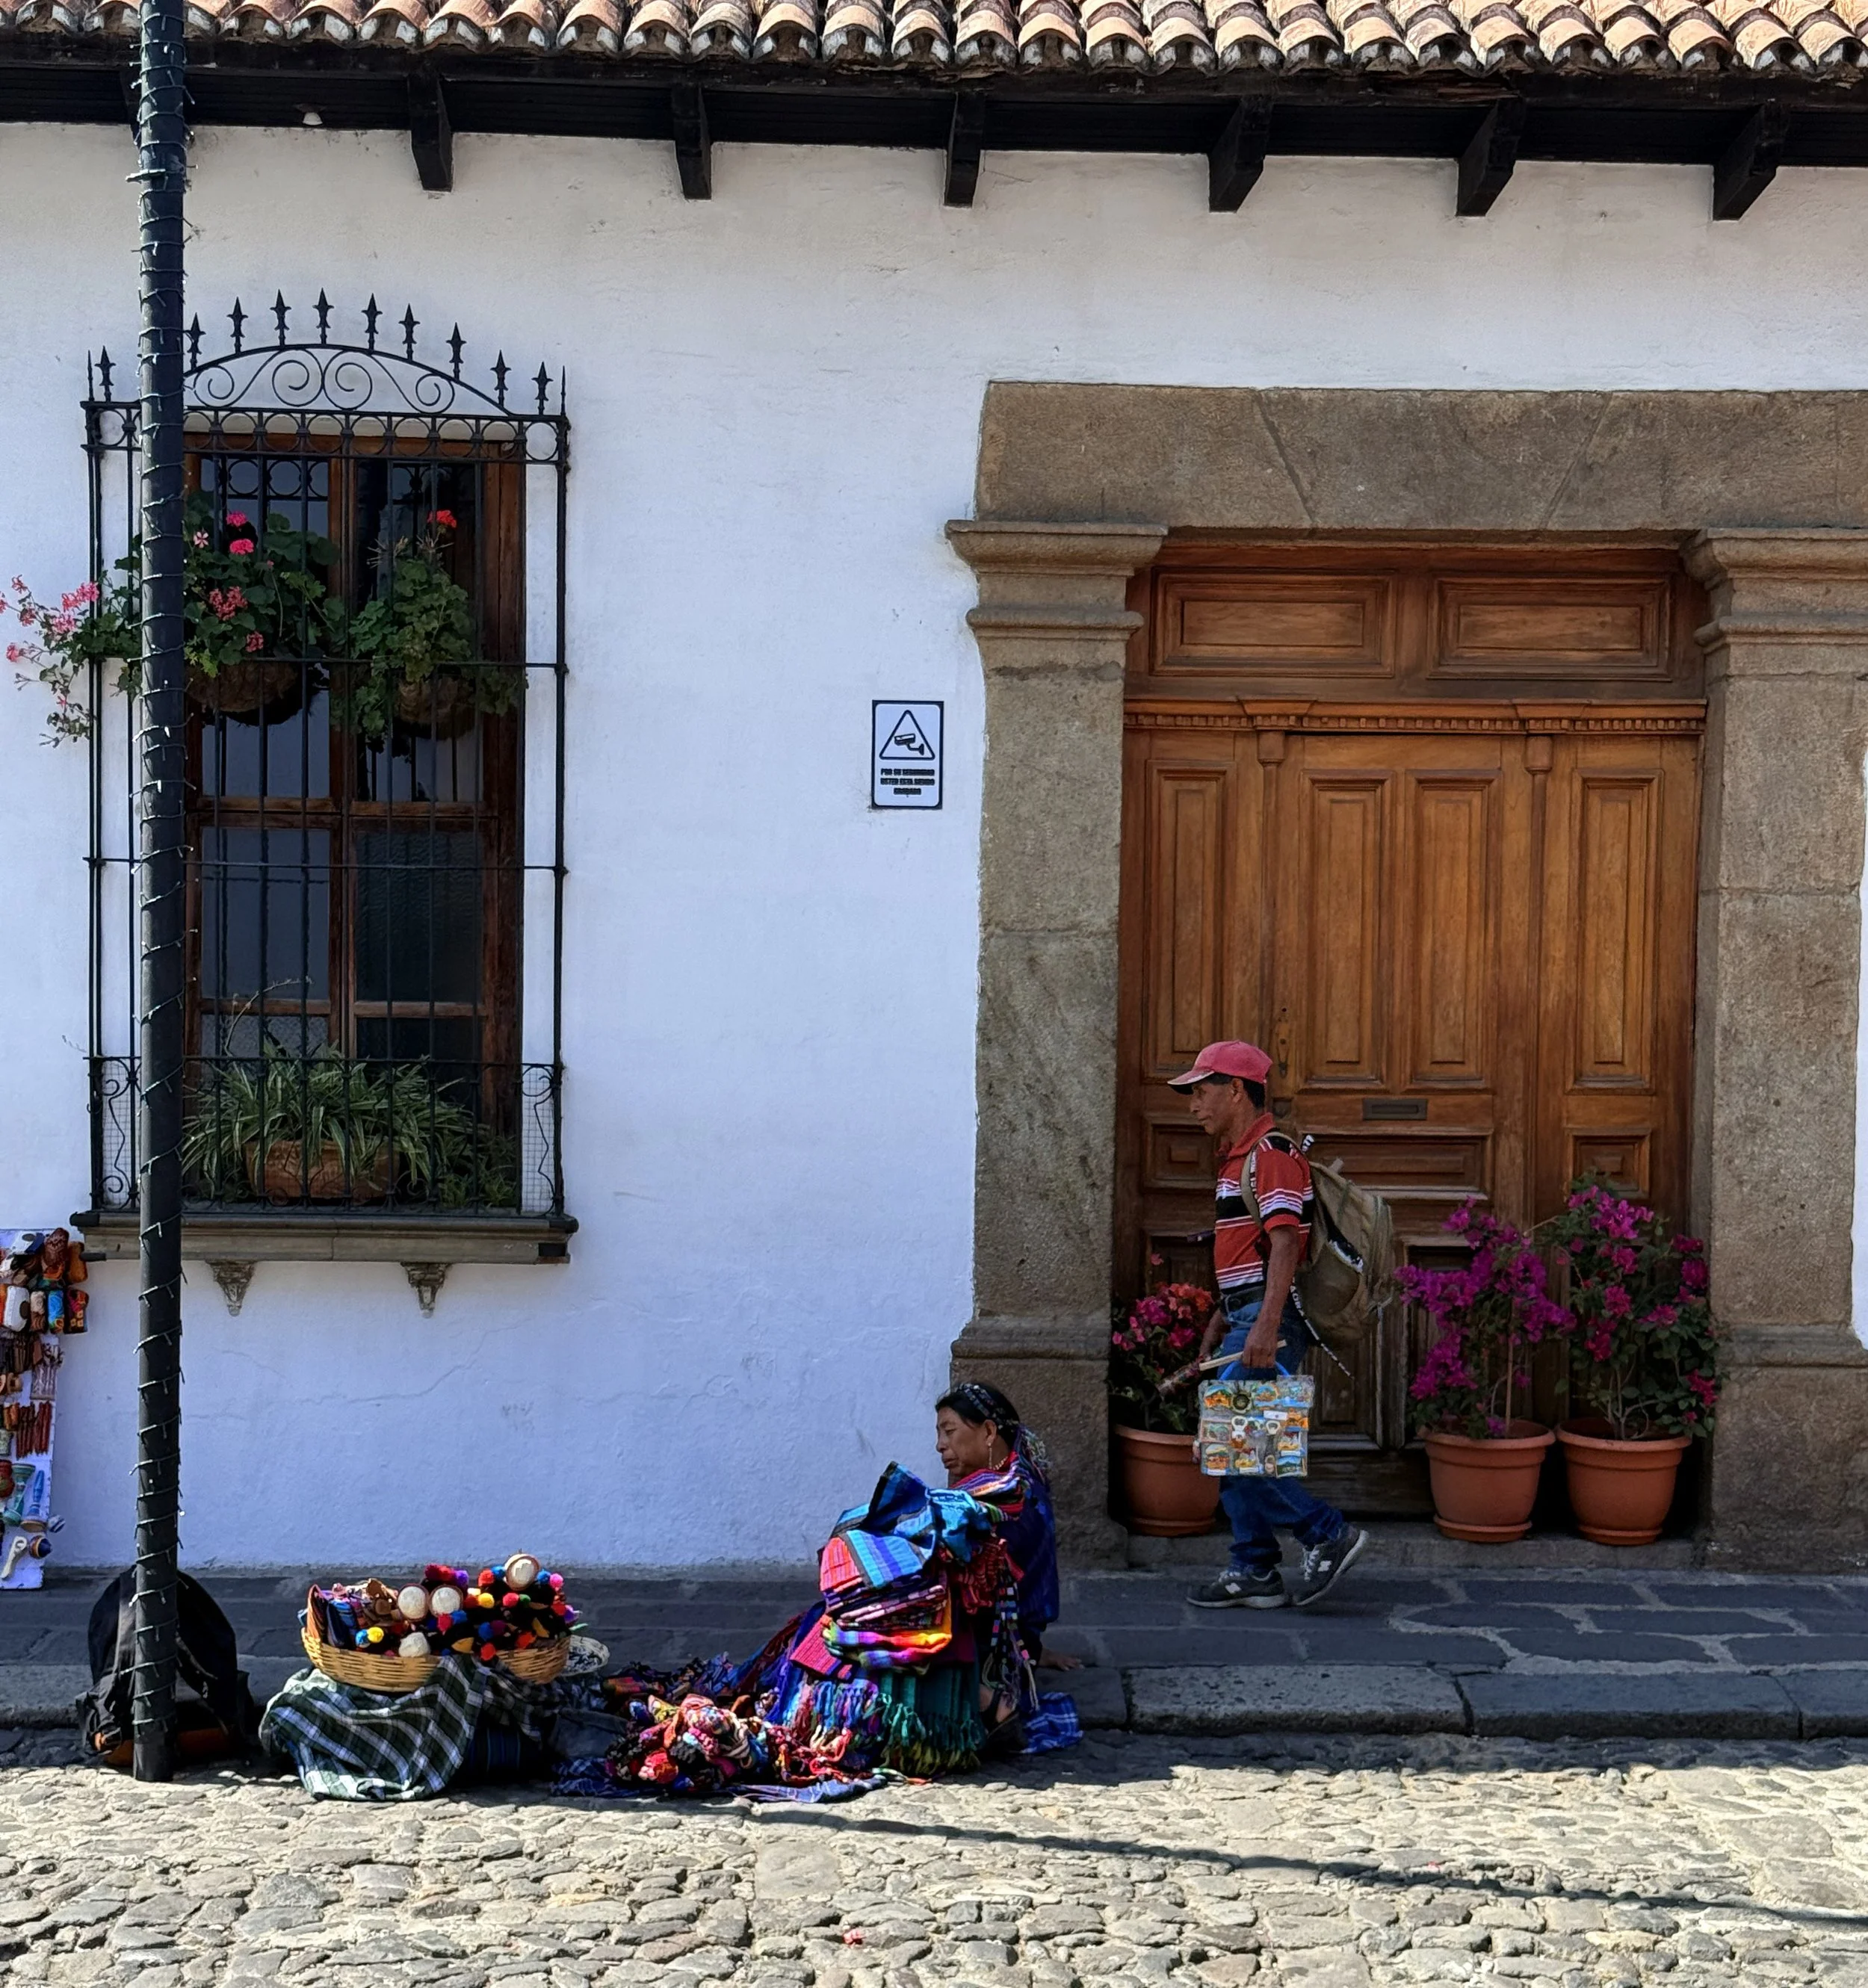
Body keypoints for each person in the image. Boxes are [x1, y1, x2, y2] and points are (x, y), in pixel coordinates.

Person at [1167, 1039, 1368, 1611]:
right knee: (1232, 1442)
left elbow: (1284, 1243)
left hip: (1267, 1319)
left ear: (1236, 1089)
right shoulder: (1242, 1157)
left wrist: (1264, 1325)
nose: (1193, 1105)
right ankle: (1254, 1566)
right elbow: (1253, 1250)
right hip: (1248, 1313)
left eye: (1201, 1091)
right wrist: (1222, 1317)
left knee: (1240, 1445)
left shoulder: (1271, 1152)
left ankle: (1326, 1533)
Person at [933, 1381, 1079, 1675]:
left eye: (949, 1432)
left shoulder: (1015, 1502)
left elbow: (996, 1590)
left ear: (988, 1432)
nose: (940, 1445)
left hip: (993, 1657)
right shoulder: (1008, 1485)